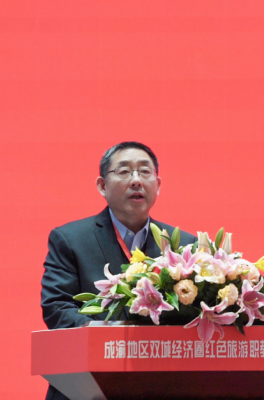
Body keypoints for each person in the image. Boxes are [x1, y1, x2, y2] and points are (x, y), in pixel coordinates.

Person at [41, 141, 196, 400]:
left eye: (145, 172)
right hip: (88, 386)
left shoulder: (183, 245)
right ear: (102, 185)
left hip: (160, 386)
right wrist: (108, 334)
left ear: (157, 185)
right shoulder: (70, 239)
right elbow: (56, 308)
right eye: (124, 171)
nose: (136, 180)